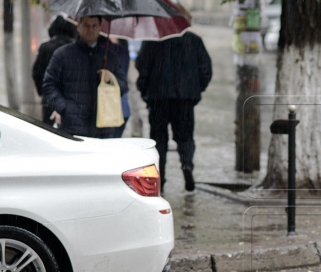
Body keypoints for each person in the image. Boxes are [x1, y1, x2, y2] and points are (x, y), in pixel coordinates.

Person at [135, 31, 213, 193]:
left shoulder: (152, 40)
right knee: (185, 137)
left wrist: (145, 91)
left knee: (158, 140)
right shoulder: (194, 40)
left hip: (158, 98)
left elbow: (142, 67)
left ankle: (159, 177)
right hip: (184, 99)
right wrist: (194, 90)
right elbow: (206, 70)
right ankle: (187, 165)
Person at [43, 16, 129, 138]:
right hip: (72, 128)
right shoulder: (63, 55)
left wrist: (110, 80)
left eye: (94, 26)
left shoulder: (110, 57)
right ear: (78, 26)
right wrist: (64, 108)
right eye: (86, 25)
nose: (90, 29)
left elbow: (123, 86)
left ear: (100, 27)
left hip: (103, 128)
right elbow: (49, 84)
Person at [32, 15, 77, 125]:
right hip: (69, 99)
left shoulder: (45, 47)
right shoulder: (73, 47)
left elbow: (36, 72)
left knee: (48, 132)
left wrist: (42, 91)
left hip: (48, 99)